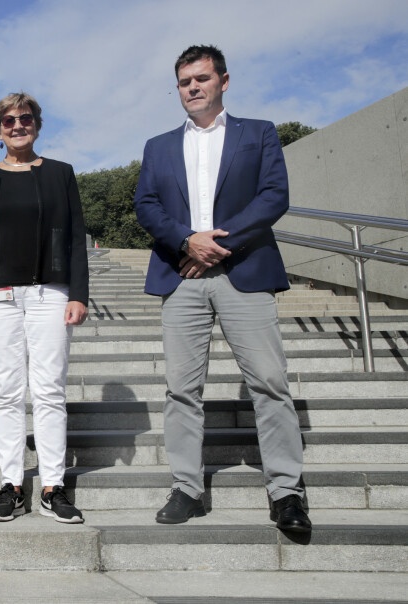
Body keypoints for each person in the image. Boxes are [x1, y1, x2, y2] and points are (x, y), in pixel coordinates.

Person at [133, 45, 311, 532]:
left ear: (224, 81)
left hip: (244, 271)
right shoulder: (158, 145)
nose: (193, 87)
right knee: (181, 390)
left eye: (202, 78)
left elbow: (275, 195)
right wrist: (187, 241)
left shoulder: (259, 133)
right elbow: (146, 205)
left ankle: (286, 491)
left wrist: (217, 243)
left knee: (270, 383)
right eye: (185, 81)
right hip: (182, 274)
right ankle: (187, 486)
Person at [0, 93, 89, 522]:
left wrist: (78, 293)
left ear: (37, 124)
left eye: (26, 118)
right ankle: (11, 485)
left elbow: (74, 238)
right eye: (8, 120)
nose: (18, 125)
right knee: (8, 392)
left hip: (49, 292)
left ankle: (53, 486)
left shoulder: (60, 174)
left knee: (49, 388)